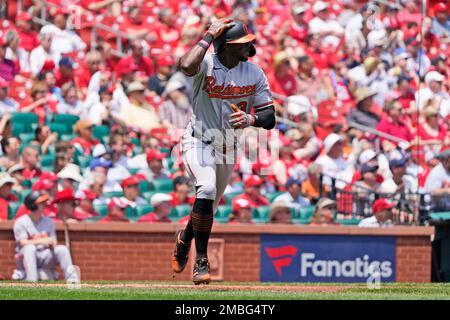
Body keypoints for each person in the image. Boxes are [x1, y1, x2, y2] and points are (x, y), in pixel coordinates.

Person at [172, 19, 276, 285]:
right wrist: (208, 34)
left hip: (229, 147)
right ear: (226, 46)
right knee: (205, 191)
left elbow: (269, 116)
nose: (249, 45)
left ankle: (185, 237)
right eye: (243, 42)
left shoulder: (253, 72)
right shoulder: (205, 64)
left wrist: (251, 120)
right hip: (199, 141)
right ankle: (201, 260)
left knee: (207, 208)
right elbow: (185, 65)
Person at [13, 191, 77, 282]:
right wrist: (41, 240)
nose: (44, 204)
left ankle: (72, 281)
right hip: (25, 256)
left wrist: (50, 242)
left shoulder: (49, 222)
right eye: (41, 203)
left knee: (62, 249)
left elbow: (53, 242)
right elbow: (23, 242)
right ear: (32, 205)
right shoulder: (21, 221)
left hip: (44, 254)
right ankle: (31, 281)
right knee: (30, 248)